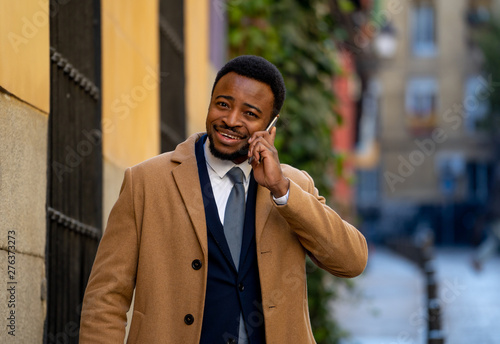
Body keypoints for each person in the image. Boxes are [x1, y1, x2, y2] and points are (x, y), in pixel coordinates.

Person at [79, 55, 368, 344]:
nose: (230, 121)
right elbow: (105, 298)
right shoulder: (146, 182)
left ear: (271, 125)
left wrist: (281, 190)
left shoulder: (293, 187)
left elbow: (351, 261)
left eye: (250, 114)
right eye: (223, 104)